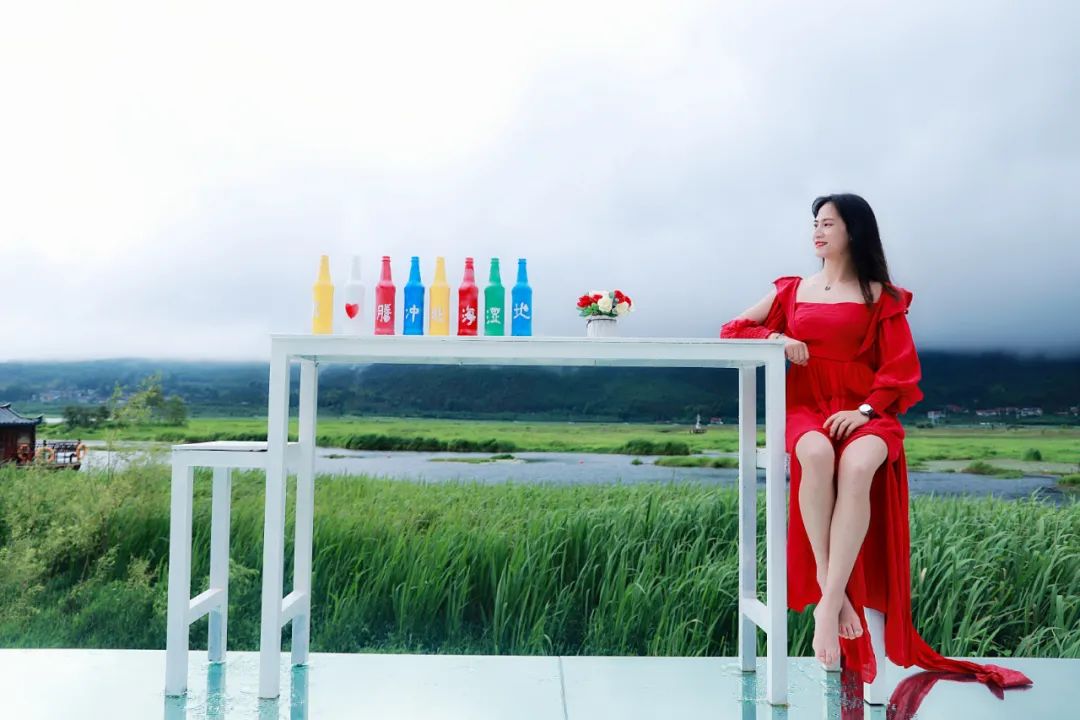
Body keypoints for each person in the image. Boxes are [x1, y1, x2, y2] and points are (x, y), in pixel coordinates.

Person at [720, 193, 1032, 689]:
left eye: (828, 223)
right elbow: (733, 329)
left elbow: (901, 371)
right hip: (805, 406)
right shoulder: (791, 290)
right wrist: (778, 339)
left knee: (860, 464)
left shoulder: (881, 296)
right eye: (815, 223)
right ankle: (832, 592)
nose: (817, 231)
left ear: (854, 230)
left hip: (866, 409)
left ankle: (827, 602)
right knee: (815, 453)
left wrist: (863, 411)